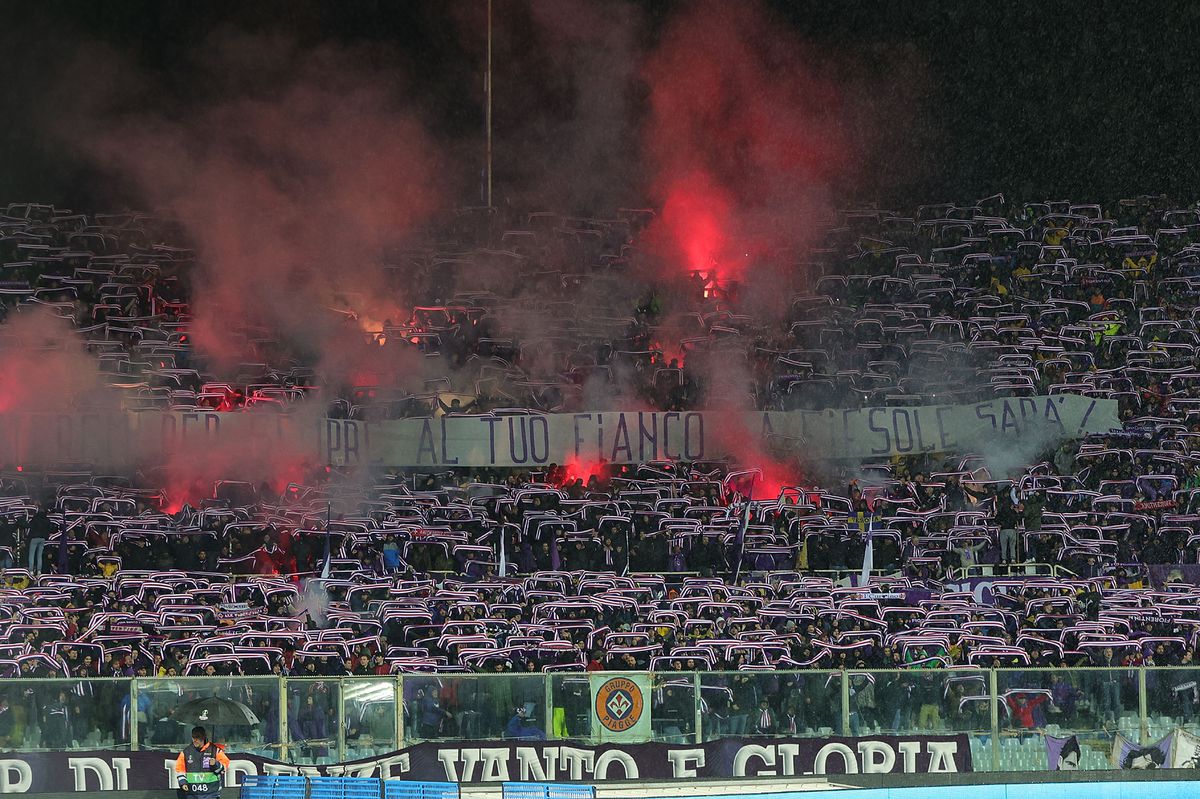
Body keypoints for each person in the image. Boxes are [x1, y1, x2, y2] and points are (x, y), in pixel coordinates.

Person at [174, 726, 230, 798]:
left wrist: (216, 764)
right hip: (191, 793)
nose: (195, 740)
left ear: (203, 738)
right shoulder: (186, 752)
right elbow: (180, 769)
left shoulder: (215, 750)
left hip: (211, 793)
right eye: (193, 737)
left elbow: (224, 768)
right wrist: (183, 783)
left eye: (197, 738)